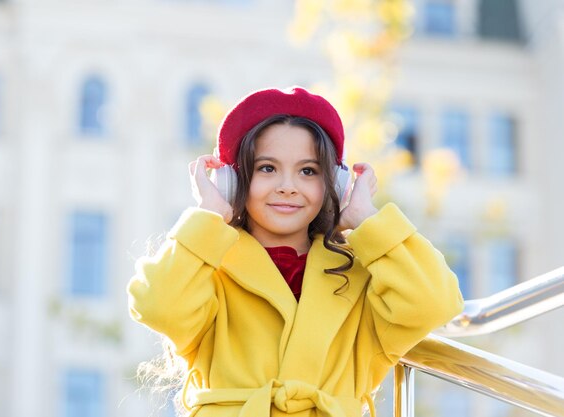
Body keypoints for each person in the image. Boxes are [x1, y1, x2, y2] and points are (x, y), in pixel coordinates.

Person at [127, 86, 464, 417]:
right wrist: (210, 216)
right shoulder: (205, 267)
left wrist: (367, 221)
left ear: (335, 184)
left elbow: (433, 303)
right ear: (231, 180)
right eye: (267, 168)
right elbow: (157, 306)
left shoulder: (363, 275)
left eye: (308, 171)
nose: (287, 186)